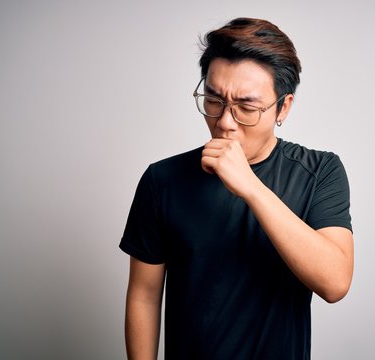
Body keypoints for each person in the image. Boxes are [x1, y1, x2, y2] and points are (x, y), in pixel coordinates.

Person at [120, 17, 354, 360]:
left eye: (246, 107)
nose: (225, 122)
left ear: (283, 107)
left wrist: (251, 187)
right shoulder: (163, 180)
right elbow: (144, 295)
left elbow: (335, 283)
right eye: (213, 100)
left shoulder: (320, 172)